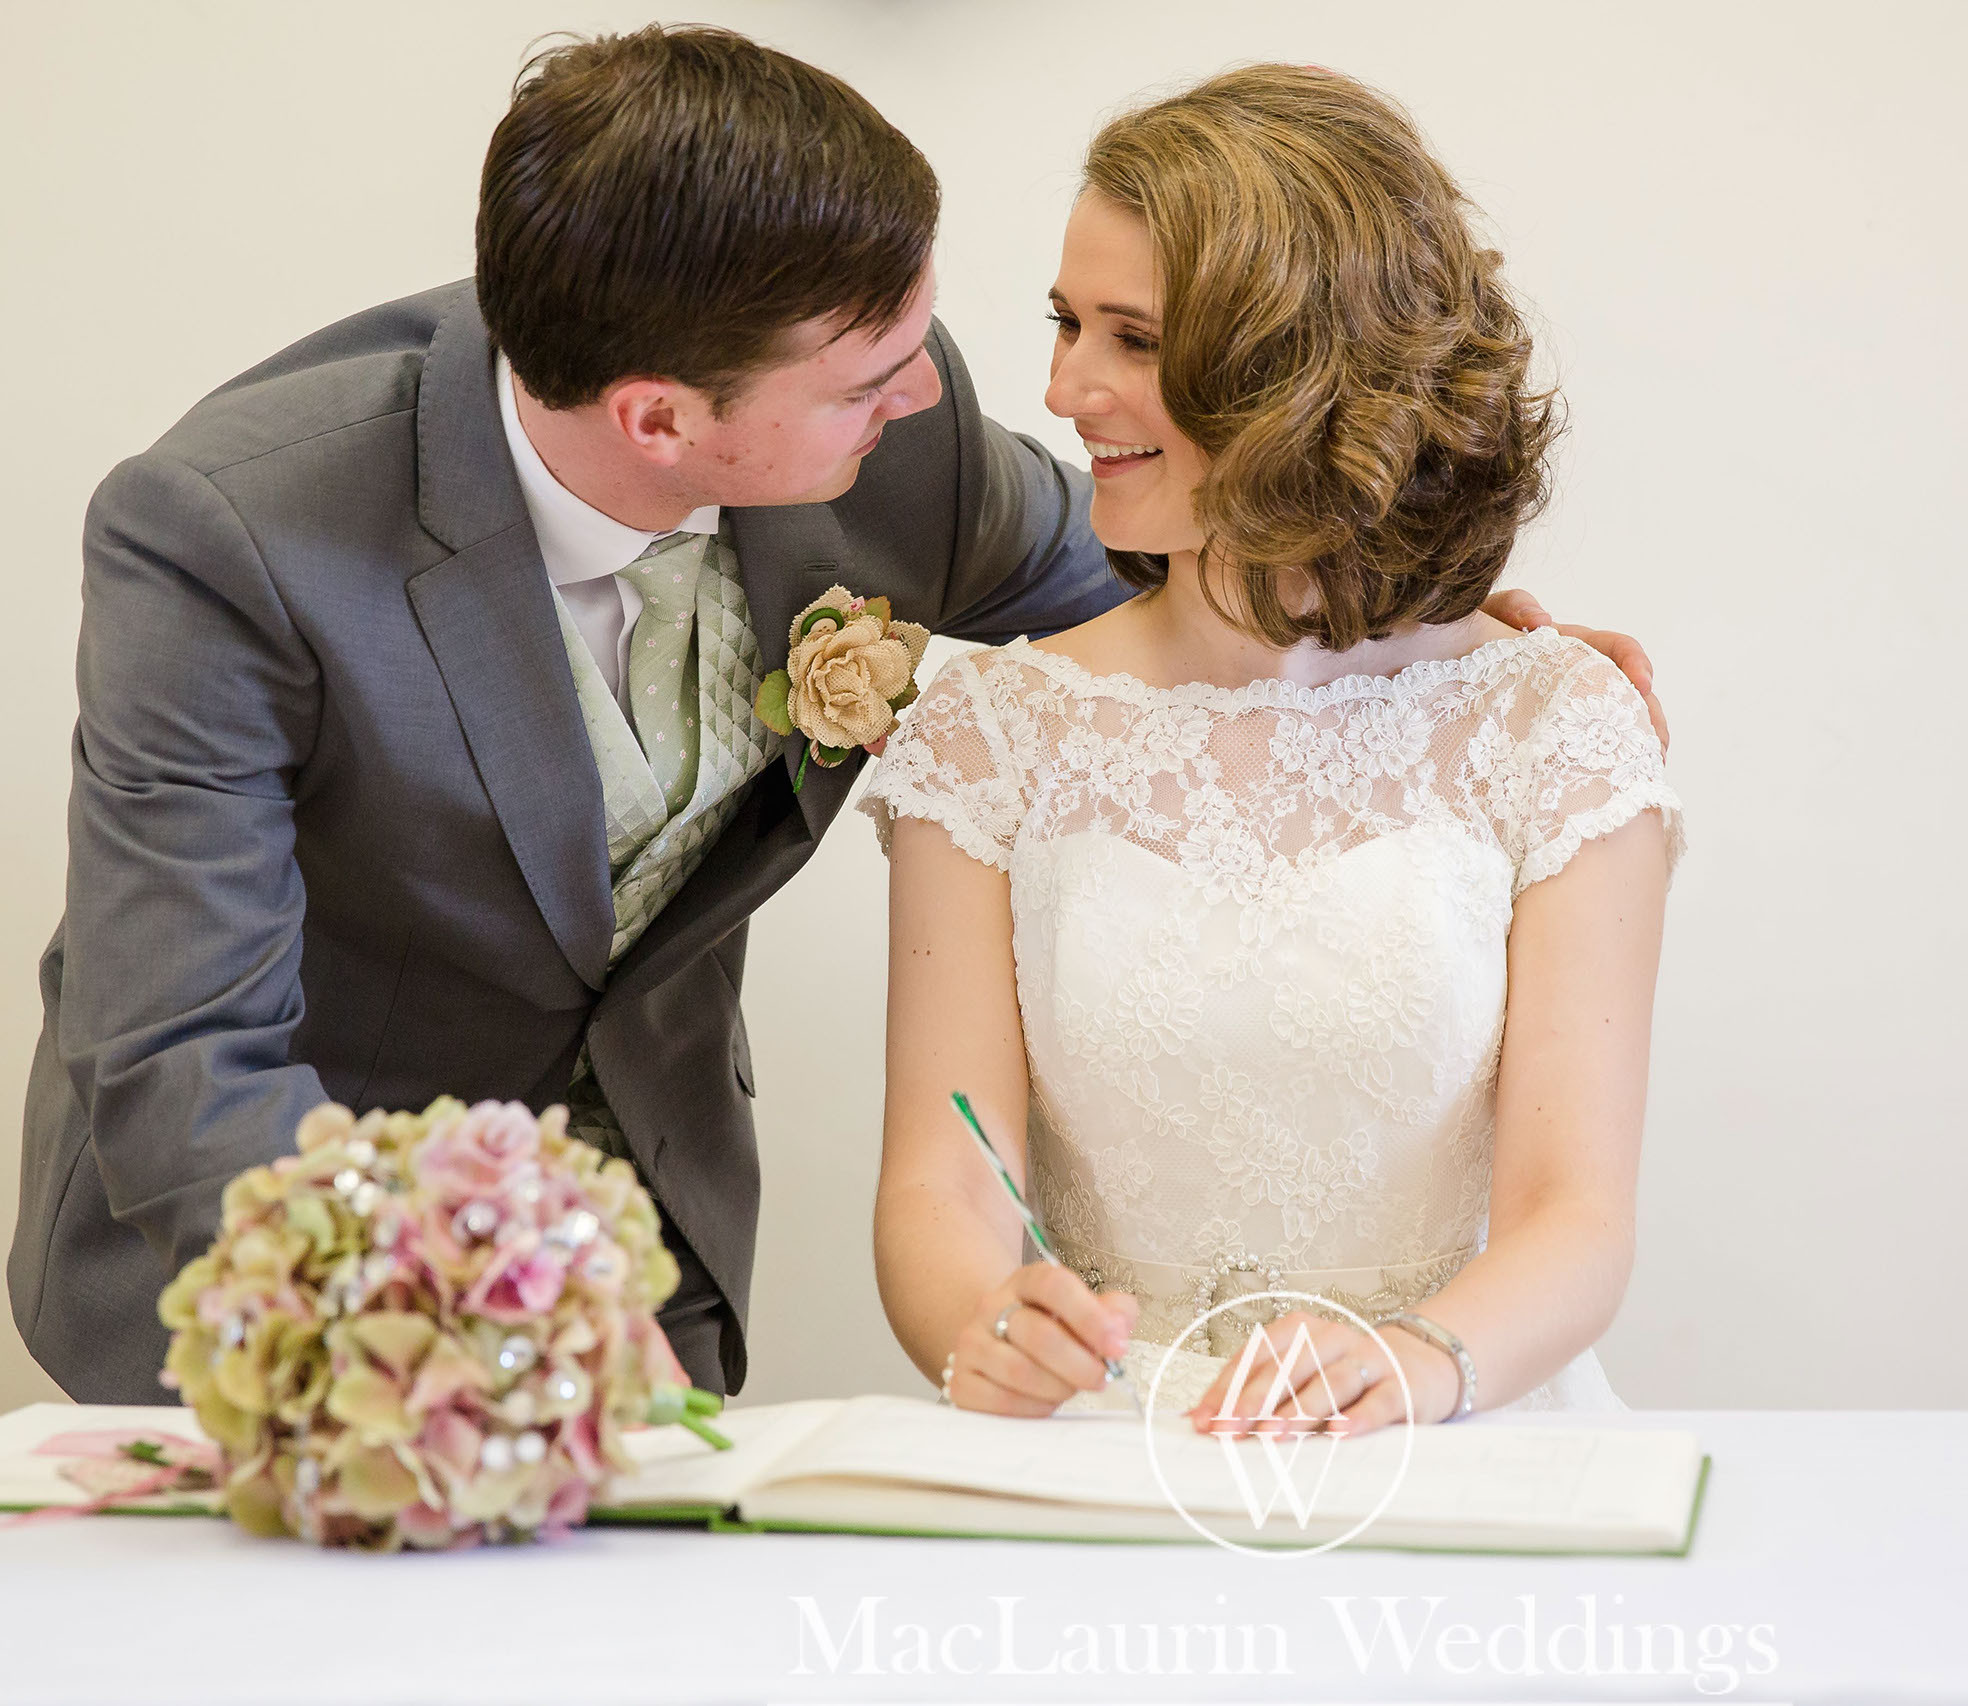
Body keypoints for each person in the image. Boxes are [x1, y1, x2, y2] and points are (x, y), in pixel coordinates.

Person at [12, 28, 1657, 1405]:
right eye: (870, 375)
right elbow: (181, 1067)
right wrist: (479, 1342)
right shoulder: (227, 536)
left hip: (653, 1287)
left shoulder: (901, 430)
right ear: (663, 417)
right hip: (256, 1286)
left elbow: (1189, 589)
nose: (945, 394)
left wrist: (1430, 641)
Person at [866, 64, 1681, 1434]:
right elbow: (940, 1184)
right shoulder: (986, 733)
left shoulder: (1556, 720)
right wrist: (977, 1317)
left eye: (1134, 339)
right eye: (1069, 324)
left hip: (1447, 1429)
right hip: (1116, 1444)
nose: (1066, 390)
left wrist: (1421, 1362)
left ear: (1297, 375)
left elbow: (1575, 1214)